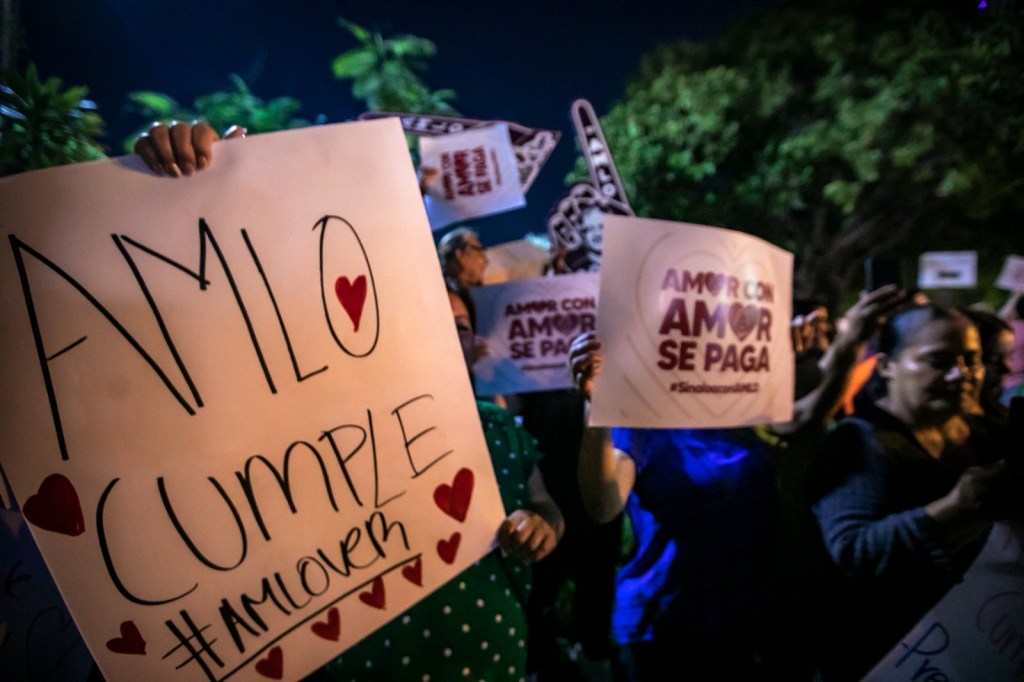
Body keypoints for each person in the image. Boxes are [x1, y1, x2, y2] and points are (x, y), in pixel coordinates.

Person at [136, 123, 565, 682]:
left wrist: (542, 525)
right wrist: (195, 186)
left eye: (460, 326)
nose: (445, 334)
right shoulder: (325, 422)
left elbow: (546, 505)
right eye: (429, 317)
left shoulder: (495, 426)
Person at [566, 286, 907, 681]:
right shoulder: (646, 419)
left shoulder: (743, 404)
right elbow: (603, 504)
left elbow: (805, 417)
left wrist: (837, 346)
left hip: (750, 621)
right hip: (666, 627)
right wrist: (597, 411)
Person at [809, 303, 1024, 681]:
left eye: (973, 360)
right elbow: (854, 551)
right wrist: (957, 507)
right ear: (886, 366)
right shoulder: (858, 443)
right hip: (889, 657)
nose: (962, 374)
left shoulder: (983, 433)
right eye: (939, 361)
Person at [438, 226, 489, 291]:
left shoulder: (485, 292)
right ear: (460, 255)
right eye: (479, 252)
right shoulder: (439, 291)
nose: (486, 261)